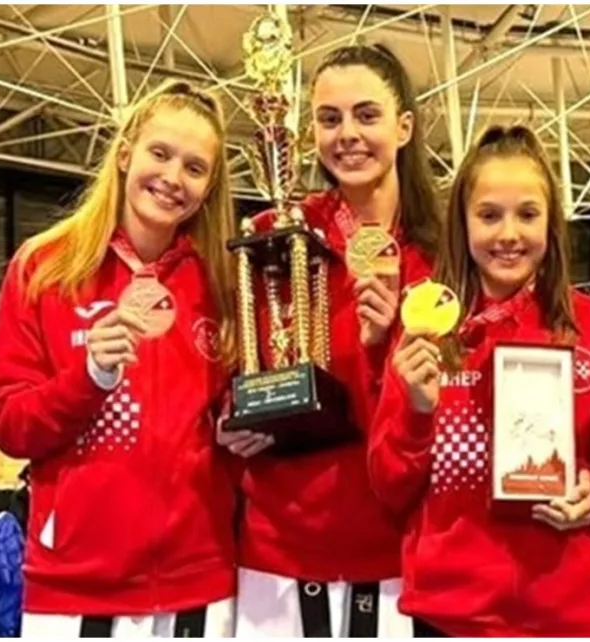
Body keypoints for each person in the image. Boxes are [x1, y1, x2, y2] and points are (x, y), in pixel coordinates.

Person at [0, 79, 240, 637]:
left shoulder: (222, 283)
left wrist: (239, 427)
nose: (172, 177)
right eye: (159, 153)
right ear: (125, 154)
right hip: (76, 586)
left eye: (195, 168)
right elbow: (8, 424)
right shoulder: (45, 267)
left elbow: (226, 423)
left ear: (209, 187)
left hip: (200, 584)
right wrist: (89, 377)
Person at [368, 125, 590, 637]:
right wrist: (417, 412)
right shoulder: (423, 327)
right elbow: (389, 487)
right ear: (462, 224)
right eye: (489, 215)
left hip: (565, 611)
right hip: (450, 611)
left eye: (527, 214)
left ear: (551, 222)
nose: (509, 234)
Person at [226, 44, 440, 637]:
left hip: (400, 553)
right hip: (279, 550)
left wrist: (384, 345)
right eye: (329, 118)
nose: (347, 134)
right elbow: (231, 362)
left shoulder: (442, 252)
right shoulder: (275, 236)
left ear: (404, 126)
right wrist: (227, 414)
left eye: (366, 115)